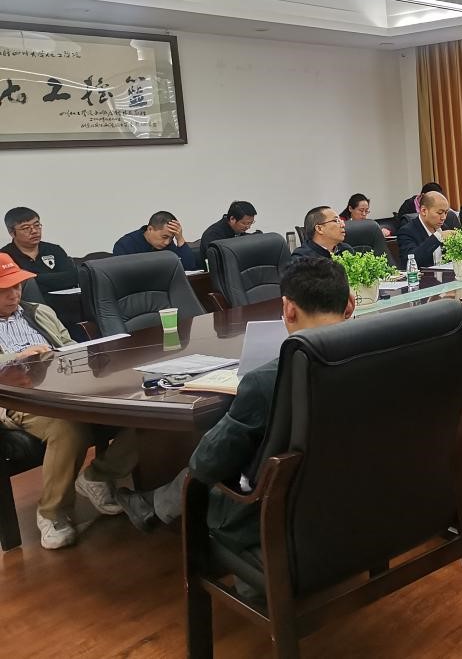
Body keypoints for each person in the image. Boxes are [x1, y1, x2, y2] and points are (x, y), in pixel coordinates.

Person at [115, 258, 355, 555]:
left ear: (288, 309)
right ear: (349, 305)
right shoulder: (374, 354)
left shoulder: (267, 380)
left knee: (217, 453)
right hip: (353, 492)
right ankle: (152, 504)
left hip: (266, 514)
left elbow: (205, 464)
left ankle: (154, 507)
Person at [0, 253, 136, 549]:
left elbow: (71, 346)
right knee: (68, 429)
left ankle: (99, 475)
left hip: (66, 388)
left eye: (17, 286)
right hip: (20, 401)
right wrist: (19, 356)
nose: (14, 294)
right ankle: (51, 513)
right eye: (4, 290)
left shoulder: (40, 311)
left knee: (141, 406)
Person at [1, 207, 78, 292]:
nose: (34, 231)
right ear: (11, 233)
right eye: (26, 228)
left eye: (37, 225)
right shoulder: (4, 256)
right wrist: (54, 279)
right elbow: (17, 287)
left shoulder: (54, 249)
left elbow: (72, 278)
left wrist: (32, 278)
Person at [112, 210, 199, 270]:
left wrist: (180, 238)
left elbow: (189, 267)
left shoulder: (168, 245)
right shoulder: (125, 245)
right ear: (150, 229)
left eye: (171, 238)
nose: (167, 242)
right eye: (164, 237)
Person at [398, 190, 452, 267]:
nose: (443, 217)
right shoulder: (407, 231)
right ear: (424, 211)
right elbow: (411, 260)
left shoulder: (444, 227)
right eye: (440, 213)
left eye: (446, 212)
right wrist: (437, 237)